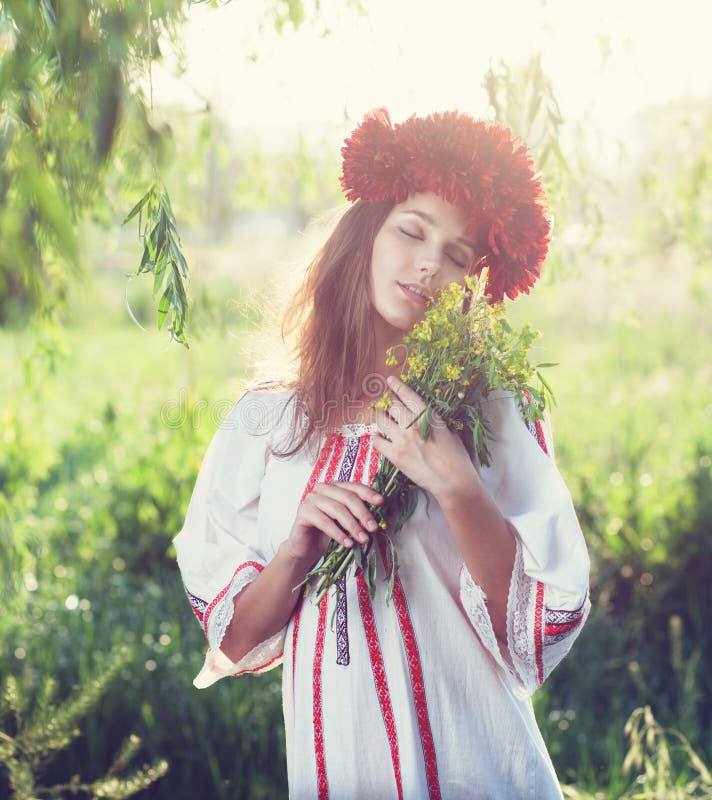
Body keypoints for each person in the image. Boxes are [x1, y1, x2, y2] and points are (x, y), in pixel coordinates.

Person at [174, 108, 591, 799]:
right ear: (366, 233)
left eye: (458, 255)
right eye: (411, 230)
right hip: (338, 768)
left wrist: (458, 487)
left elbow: (534, 630)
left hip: (476, 769)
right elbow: (236, 642)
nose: (429, 263)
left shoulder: (490, 412)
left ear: (473, 283)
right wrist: (295, 551)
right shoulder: (267, 419)